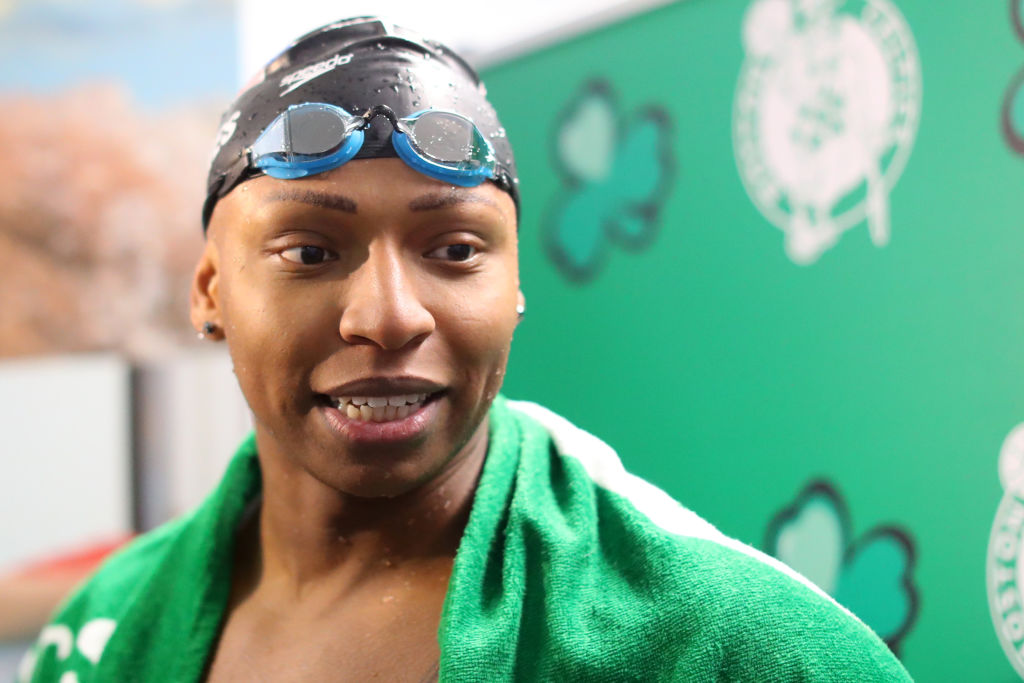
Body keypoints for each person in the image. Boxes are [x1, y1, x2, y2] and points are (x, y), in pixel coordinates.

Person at [20, 17, 913, 682]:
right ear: (211, 290)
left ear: (515, 285)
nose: (390, 315)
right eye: (310, 252)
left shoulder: (720, 638)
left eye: (454, 250)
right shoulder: (106, 628)